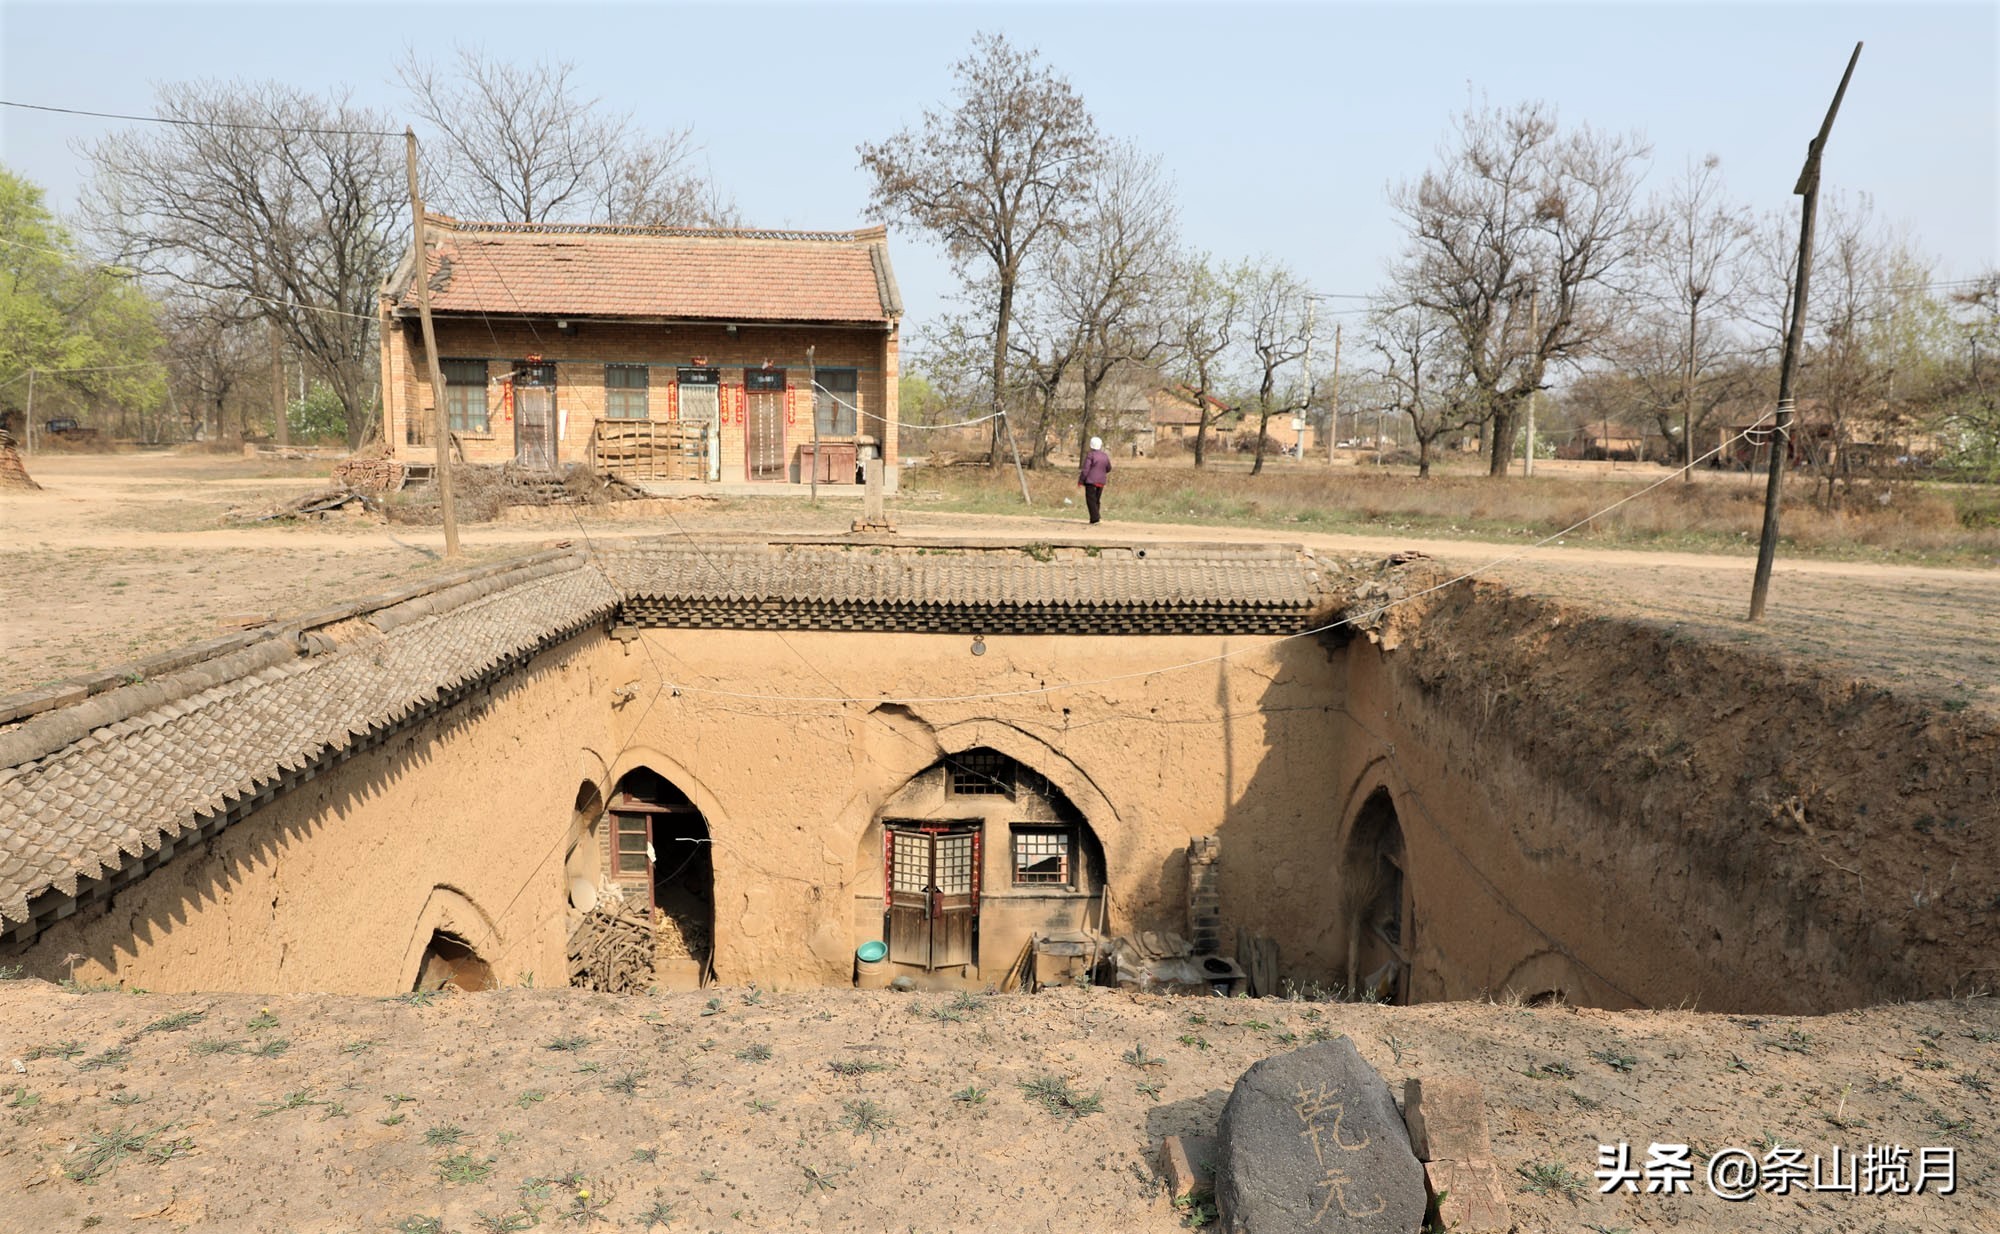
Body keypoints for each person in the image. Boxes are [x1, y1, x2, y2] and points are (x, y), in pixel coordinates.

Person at [1078, 436, 1112, 524]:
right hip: (1101, 481)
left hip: (1090, 481)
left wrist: (1081, 480)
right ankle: (1094, 518)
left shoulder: (1090, 455)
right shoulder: (1105, 456)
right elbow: (1109, 468)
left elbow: (1086, 469)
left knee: (1090, 500)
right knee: (1096, 500)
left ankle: (1096, 518)